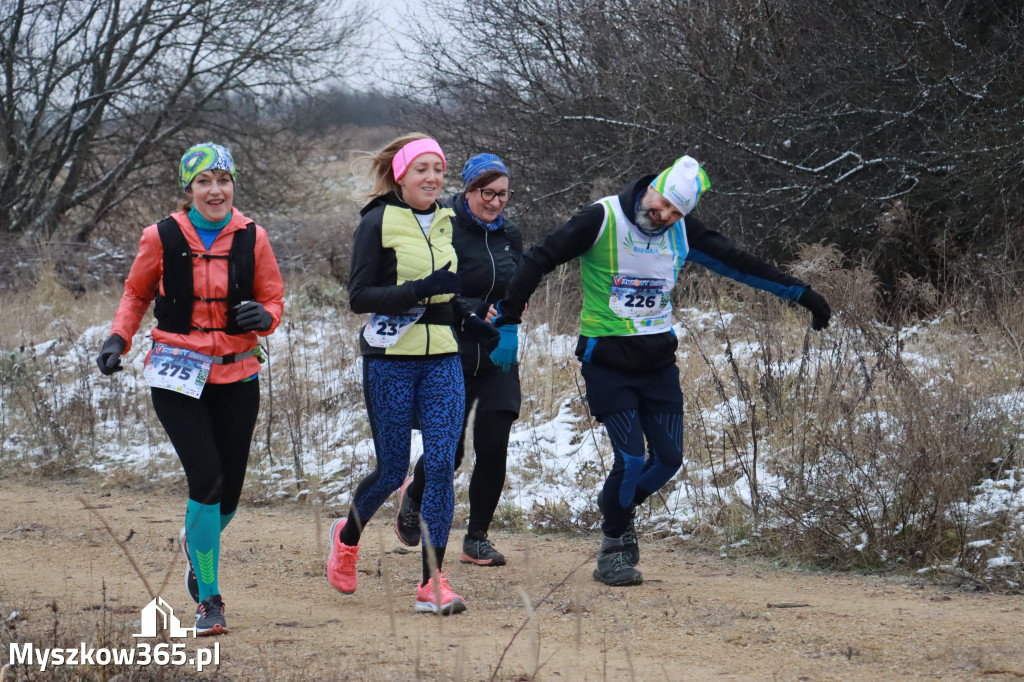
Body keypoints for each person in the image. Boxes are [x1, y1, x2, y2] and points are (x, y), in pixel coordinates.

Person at [492, 155, 832, 586]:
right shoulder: (603, 217)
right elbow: (539, 258)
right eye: (663, 204)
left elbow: (743, 265)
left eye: (676, 212)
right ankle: (612, 547)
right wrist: (507, 322)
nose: (664, 215)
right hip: (606, 362)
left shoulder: (682, 231)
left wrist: (804, 295)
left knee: (668, 459)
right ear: (652, 187)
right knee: (632, 458)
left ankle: (616, 508)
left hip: (658, 366)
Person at [95, 143, 284, 633]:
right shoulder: (159, 237)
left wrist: (265, 318)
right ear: (189, 188)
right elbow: (136, 292)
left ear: (233, 185)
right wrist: (120, 338)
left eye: (223, 180)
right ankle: (210, 599)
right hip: (177, 373)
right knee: (207, 479)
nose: (215, 190)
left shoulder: (253, 237)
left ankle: (195, 539)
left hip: (237, 373)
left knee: (231, 495)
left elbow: (273, 298)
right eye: (204, 181)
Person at [327, 134, 500, 615]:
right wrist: (419, 289)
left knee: (443, 464)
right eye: (421, 168)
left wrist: (469, 318)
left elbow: (448, 292)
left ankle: (432, 583)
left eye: (438, 169)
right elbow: (359, 297)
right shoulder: (378, 222)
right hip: (390, 360)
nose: (432, 178)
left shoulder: (446, 219)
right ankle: (346, 539)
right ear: (401, 174)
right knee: (391, 470)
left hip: (443, 359)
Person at [393, 153, 523, 567]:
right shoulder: (442, 224)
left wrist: (510, 316)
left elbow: (515, 285)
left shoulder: (510, 235)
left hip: (497, 353)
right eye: (487, 193)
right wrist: (468, 307)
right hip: (448, 348)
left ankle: (477, 538)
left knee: (495, 443)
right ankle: (414, 494)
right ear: (467, 189)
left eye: (502, 194)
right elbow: (432, 283)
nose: (495, 202)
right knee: (450, 451)